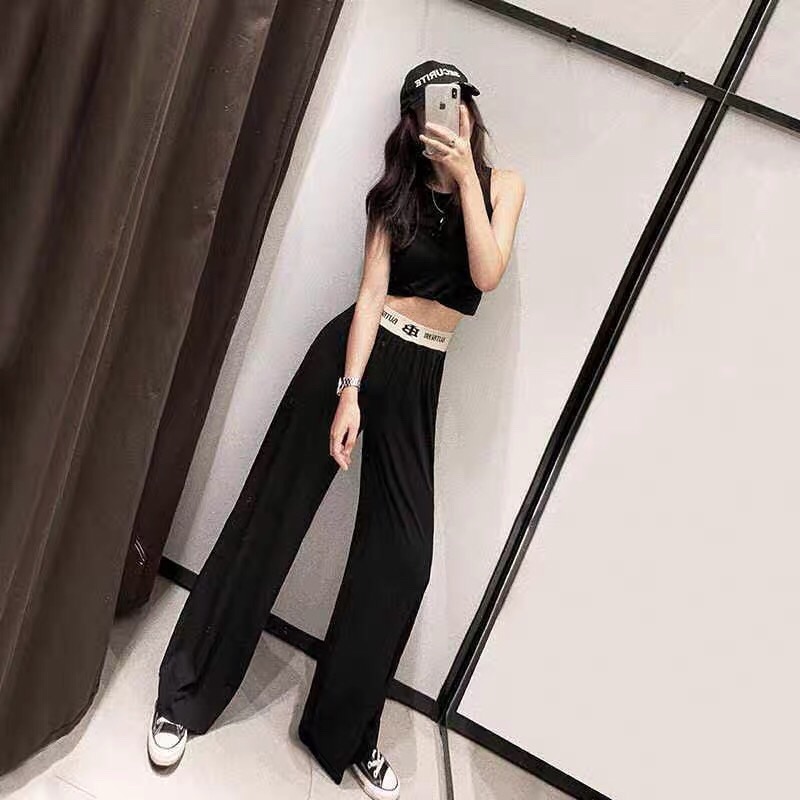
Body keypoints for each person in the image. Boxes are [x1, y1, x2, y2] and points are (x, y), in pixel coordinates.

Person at [146, 59, 525, 799]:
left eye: (459, 104)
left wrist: (466, 181)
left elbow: (486, 273)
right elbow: (370, 294)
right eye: (435, 108)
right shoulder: (393, 195)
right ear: (413, 124)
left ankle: (344, 731)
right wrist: (349, 393)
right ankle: (182, 695)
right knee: (270, 519)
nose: (452, 118)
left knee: (402, 559)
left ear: (471, 111)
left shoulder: (502, 187)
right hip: (350, 359)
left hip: (421, 377)